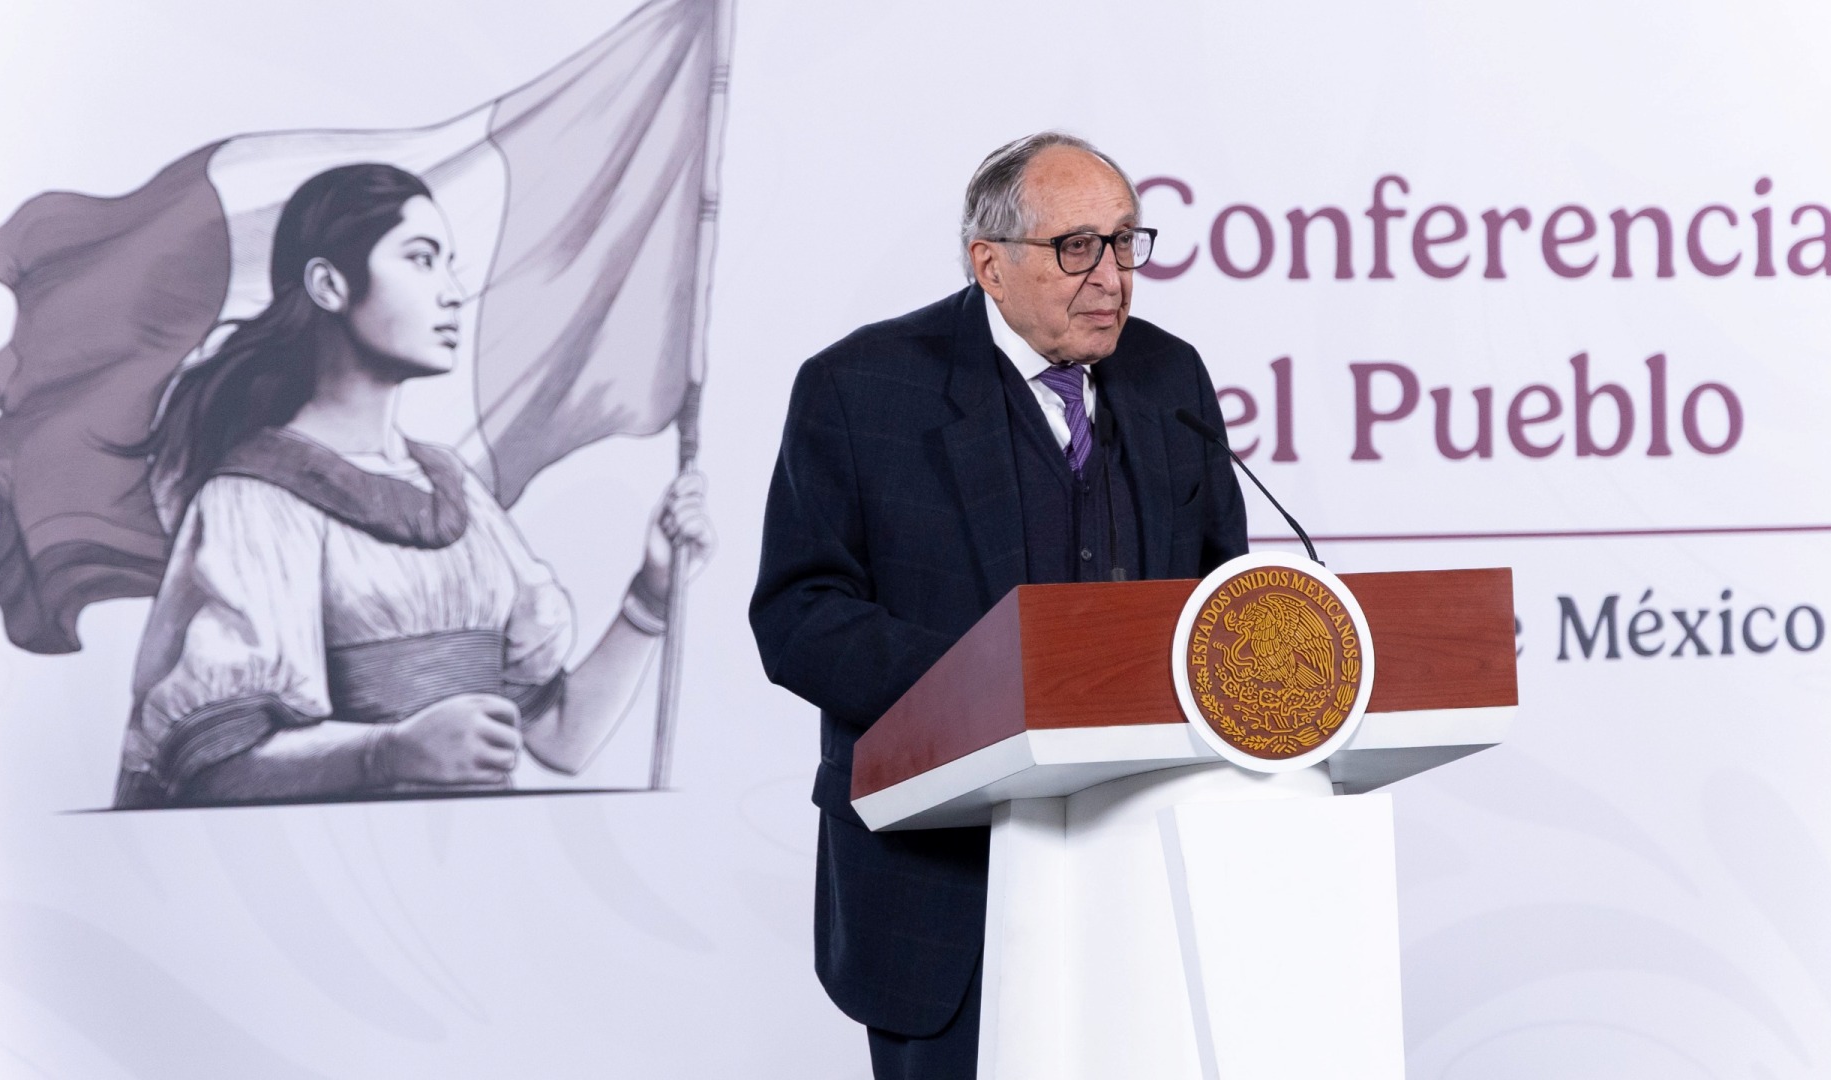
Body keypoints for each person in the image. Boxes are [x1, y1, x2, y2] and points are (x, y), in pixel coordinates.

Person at [750, 133, 1248, 1078]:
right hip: (941, 880)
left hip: (1144, 863)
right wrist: (994, 687)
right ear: (990, 264)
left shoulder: (1169, 378)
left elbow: (1223, 592)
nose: (1112, 278)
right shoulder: (860, 389)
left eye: (1125, 242)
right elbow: (799, 615)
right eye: (1078, 248)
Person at [113, 162, 712, 808]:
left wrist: (651, 595)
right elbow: (213, 770)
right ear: (329, 285)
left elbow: (562, 738)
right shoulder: (255, 500)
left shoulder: (456, 491)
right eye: (422, 260)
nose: (452, 292)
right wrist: (388, 751)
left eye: (449, 264)